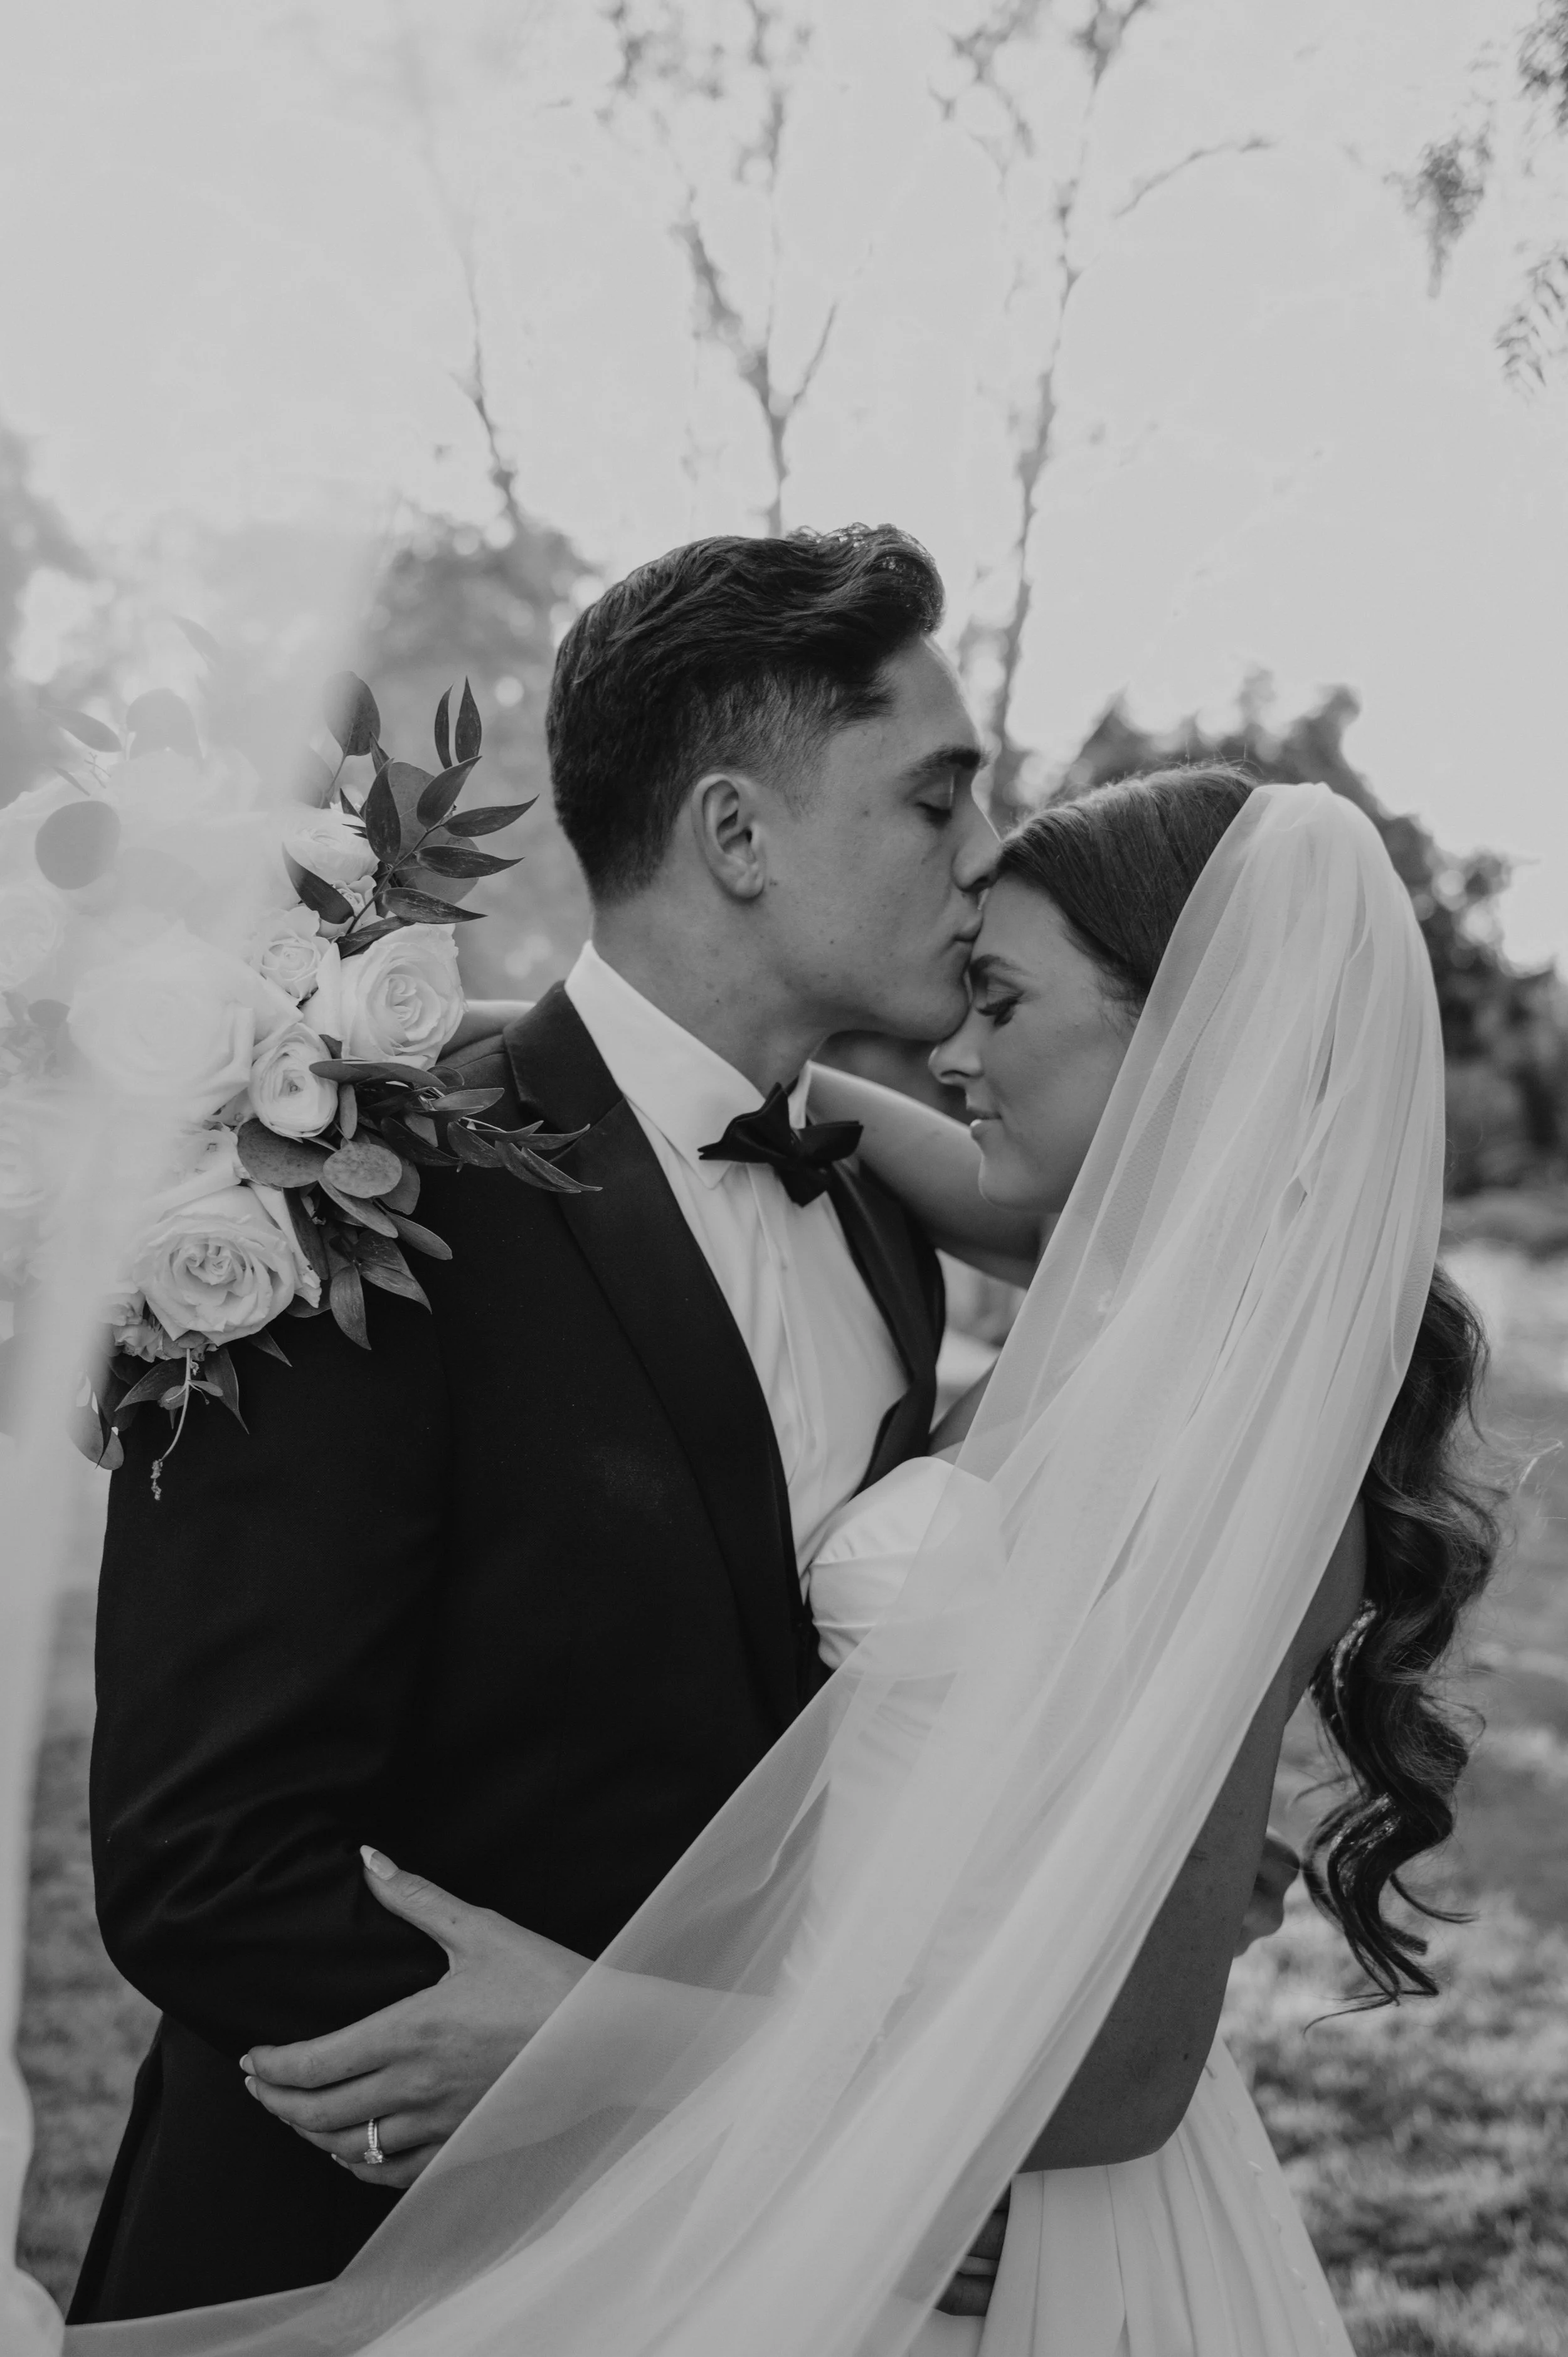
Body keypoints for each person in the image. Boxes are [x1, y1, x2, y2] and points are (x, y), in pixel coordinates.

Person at [132, 769, 1497, 2357]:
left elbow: (1121, 2080)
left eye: (999, 999)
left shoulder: (1234, 1431)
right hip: (847, 2137)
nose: (953, 1050)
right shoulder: (1118, 1300)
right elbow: (734, 1108)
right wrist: (358, 1039)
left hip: (992, 2199)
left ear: (1183, 1037)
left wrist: (579, 2035)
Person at [70, 526, 999, 2321]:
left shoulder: (882, 1222)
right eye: (935, 801)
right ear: (735, 834)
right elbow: (204, 1858)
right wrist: (580, 2080)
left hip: (746, 2260)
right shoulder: (352, 1178)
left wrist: (688, 2076)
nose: (984, 860)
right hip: (361, 2265)